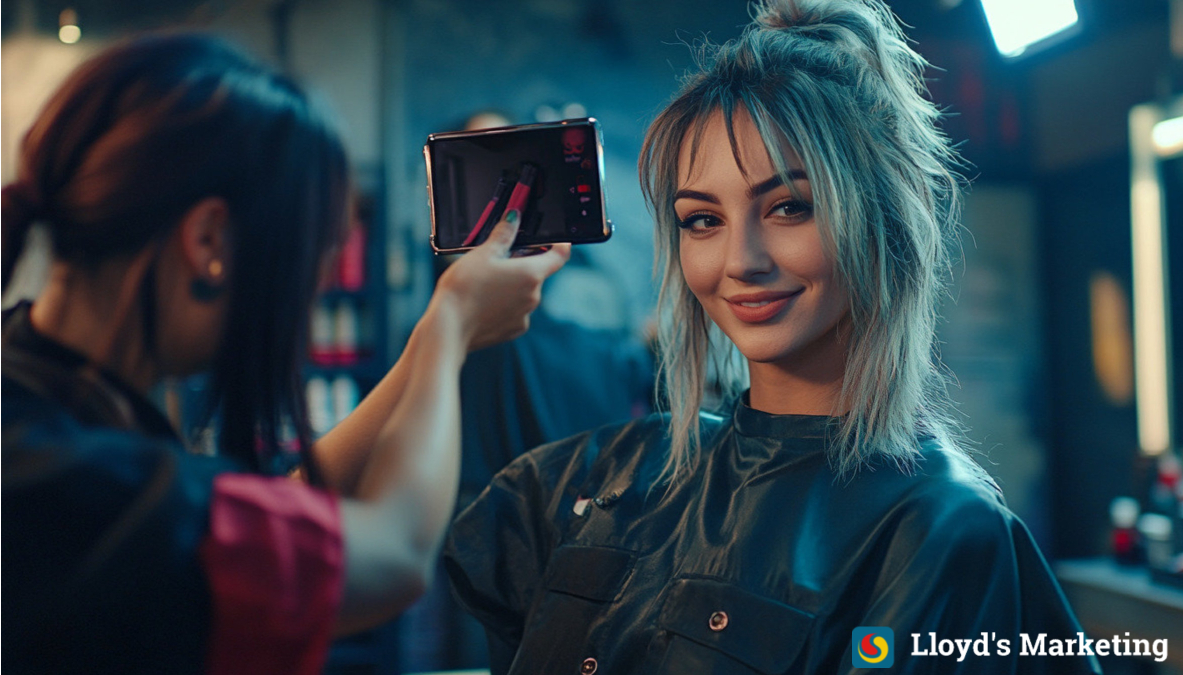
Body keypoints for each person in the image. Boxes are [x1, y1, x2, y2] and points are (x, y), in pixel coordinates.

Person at [443, 1, 1100, 673]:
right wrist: (448, 325)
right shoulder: (604, 474)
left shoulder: (941, 530)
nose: (739, 261)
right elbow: (359, 554)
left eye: (789, 207)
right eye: (702, 219)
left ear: (883, 218)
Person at [0, 33, 569, 675]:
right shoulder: (73, 481)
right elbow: (393, 554)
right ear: (208, 238)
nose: (310, 291)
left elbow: (268, 509)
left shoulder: (41, 389)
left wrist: (427, 344)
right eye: (304, 258)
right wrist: (452, 327)